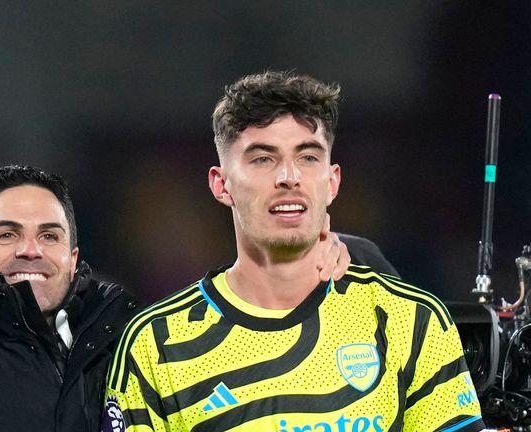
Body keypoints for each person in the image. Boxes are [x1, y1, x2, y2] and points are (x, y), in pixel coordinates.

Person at [0, 34, 391, 431]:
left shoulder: (127, 342)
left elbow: (247, 313)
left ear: (75, 255)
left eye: (50, 235)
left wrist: (347, 250)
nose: (32, 249)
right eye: (7, 234)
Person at [102, 71, 484, 432]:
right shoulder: (156, 345)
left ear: (332, 182)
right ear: (222, 185)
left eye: (307, 157)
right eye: (263, 159)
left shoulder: (411, 320)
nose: (289, 176)